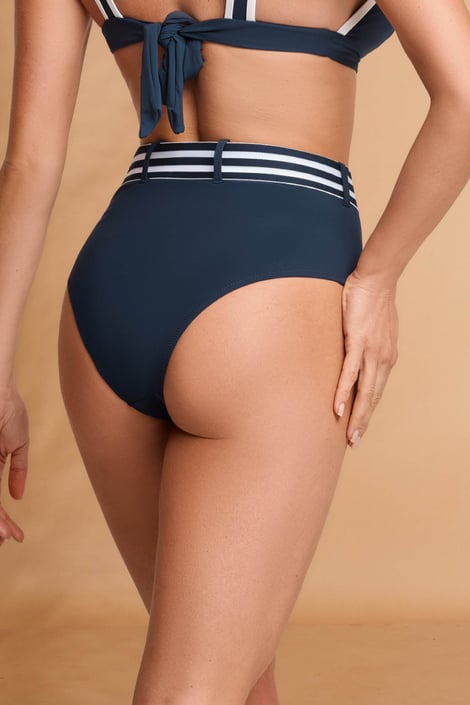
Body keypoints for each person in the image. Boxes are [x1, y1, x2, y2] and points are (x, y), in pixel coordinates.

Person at [1, 1, 470, 703]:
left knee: (237, 670)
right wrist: (378, 276)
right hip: (269, 288)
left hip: (110, 291)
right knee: (197, 683)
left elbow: (29, 164)